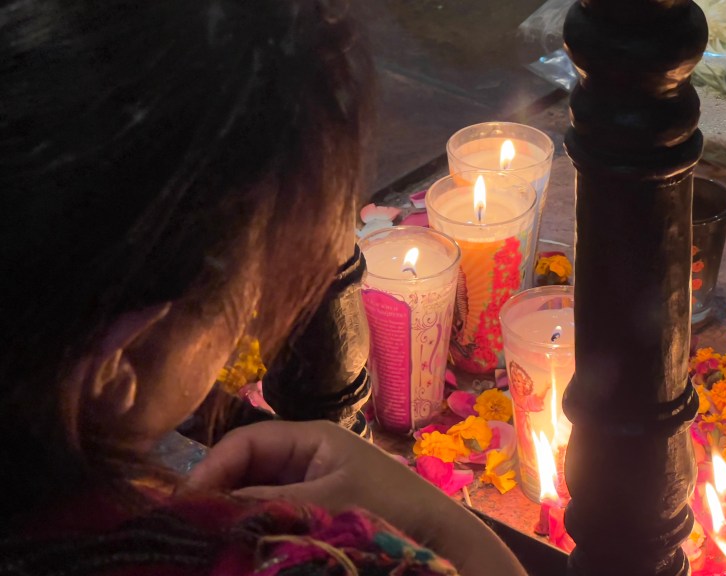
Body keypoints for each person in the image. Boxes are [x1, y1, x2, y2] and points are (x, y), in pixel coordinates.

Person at [0, 1, 526, 574]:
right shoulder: (275, 558)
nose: (251, 334)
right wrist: (431, 519)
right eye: (254, 297)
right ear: (121, 364)